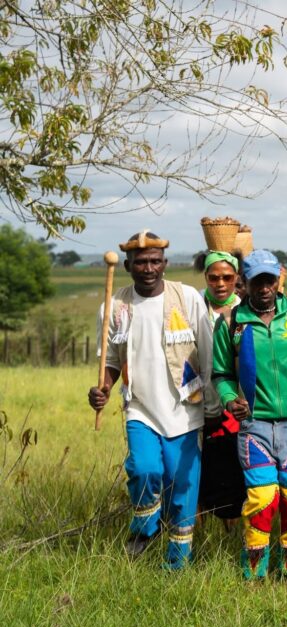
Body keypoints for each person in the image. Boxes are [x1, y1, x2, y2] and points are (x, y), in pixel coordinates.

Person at [87, 230, 216, 570]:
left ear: (165, 263)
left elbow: (208, 352)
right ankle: (145, 527)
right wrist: (103, 389)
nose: (148, 268)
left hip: (186, 410)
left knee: (182, 487)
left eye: (155, 261)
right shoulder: (114, 307)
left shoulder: (187, 298)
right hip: (140, 408)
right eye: (141, 262)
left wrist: (214, 403)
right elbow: (110, 361)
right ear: (127, 265)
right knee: (144, 469)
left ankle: (176, 566)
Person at [212, 250, 287, 579]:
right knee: (262, 496)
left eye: (269, 281)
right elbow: (221, 374)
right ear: (245, 282)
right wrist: (229, 399)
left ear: (278, 280)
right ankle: (254, 572)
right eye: (257, 282)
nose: (264, 288)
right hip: (255, 425)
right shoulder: (232, 323)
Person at [194, 250, 246, 527]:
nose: (221, 284)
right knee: (195, 469)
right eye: (214, 278)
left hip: (232, 403)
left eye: (227, 277)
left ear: (236, 277)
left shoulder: (244, 311)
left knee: (232, 471)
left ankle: (232, 533)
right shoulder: (193, 307)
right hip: (194, 401)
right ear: (206, 277)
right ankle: (195, 533)